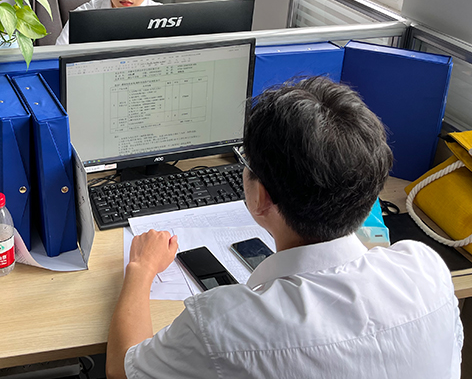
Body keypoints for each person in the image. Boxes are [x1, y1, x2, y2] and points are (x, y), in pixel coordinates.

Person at [106, 76, 463, 379]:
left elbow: (123, 370)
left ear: (261, 196)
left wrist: (141, 268)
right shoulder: (426, 271)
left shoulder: (221, 326)